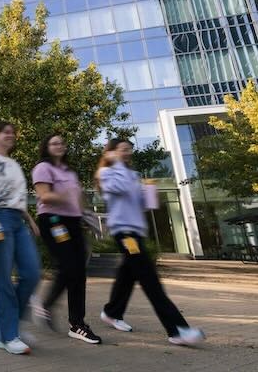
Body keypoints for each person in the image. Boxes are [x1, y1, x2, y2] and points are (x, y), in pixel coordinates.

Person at [97, 138, 205, 346]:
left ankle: (112, 312)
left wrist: (149, 194)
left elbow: (143, 206)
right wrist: (114, 163)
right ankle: (177, 330)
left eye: (130, 150)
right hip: (124, 232)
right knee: (150, 281)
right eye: (123, 150)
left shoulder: (133, 175)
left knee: (127, 275)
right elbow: (117, 189)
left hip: (135, 233)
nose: (127, 153)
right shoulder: (107, 173)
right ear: (111, 153)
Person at [0, 121, 41, 355]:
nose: (11, 136)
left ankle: (9, 319)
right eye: (6, 132)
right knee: (2, 279)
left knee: (32, 273)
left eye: (13, 133)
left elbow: (19, 197)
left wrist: (30, 221)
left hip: (18, 220)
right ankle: (7, 335)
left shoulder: (14, 164)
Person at [31, 134, 102, 344]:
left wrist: (87, 216)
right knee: (68, 266)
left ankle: (77, 324)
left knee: (79, 271)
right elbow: (44, 195)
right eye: (54, 143)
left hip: (73, 222)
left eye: (62, 142)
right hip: (53, 220)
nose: (59, 145)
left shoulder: (69, 172)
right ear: (46, 147)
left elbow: (79, 199)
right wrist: (67, 196)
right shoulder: (43, 168)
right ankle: (46, 305)